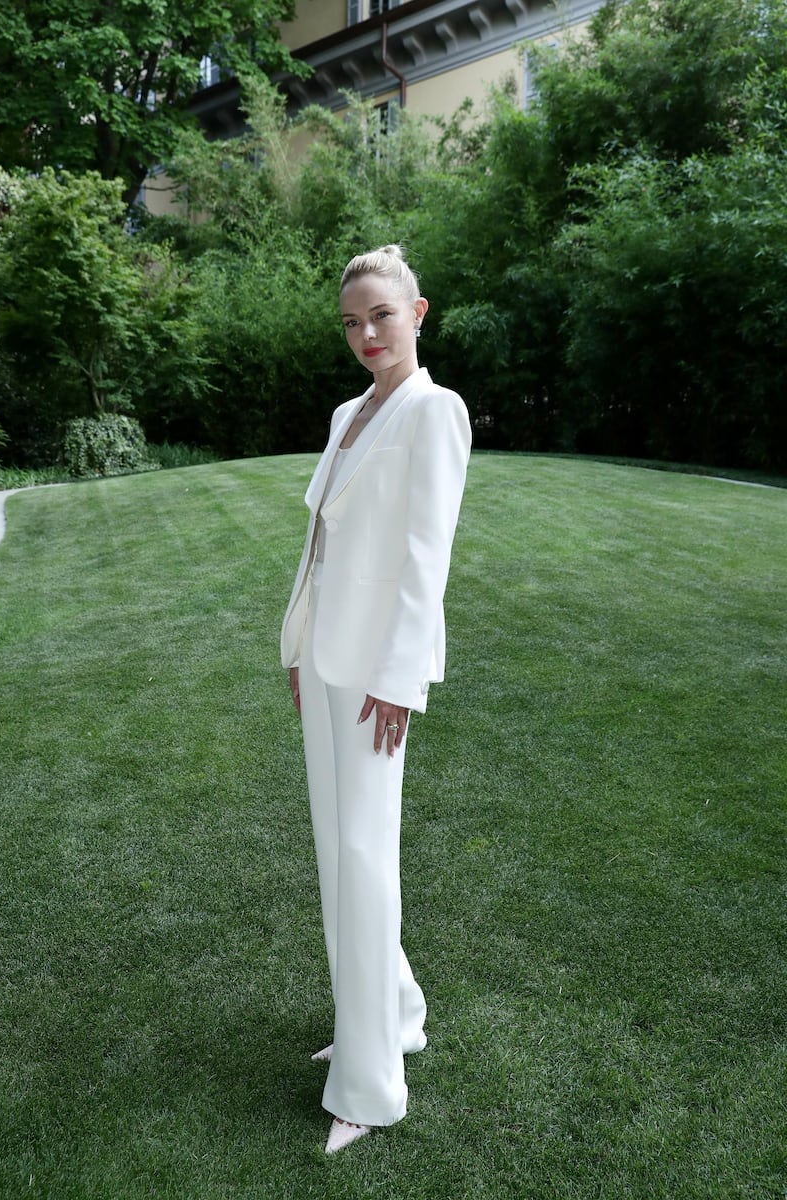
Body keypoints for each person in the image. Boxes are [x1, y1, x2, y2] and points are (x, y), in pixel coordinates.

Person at [280, 245, 471, 1154]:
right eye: (352, 322)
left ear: (418, 313)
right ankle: (391, 1012)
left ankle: (369, 1086)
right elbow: (320, 538)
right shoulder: (348, 412)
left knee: (363, 861)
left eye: (381, 317)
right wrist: (295, 638)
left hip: (374, 680)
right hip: (323, 662)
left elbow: (426, 558)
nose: (365, 335)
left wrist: (402, 680)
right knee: (336, 856)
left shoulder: (435, 412)